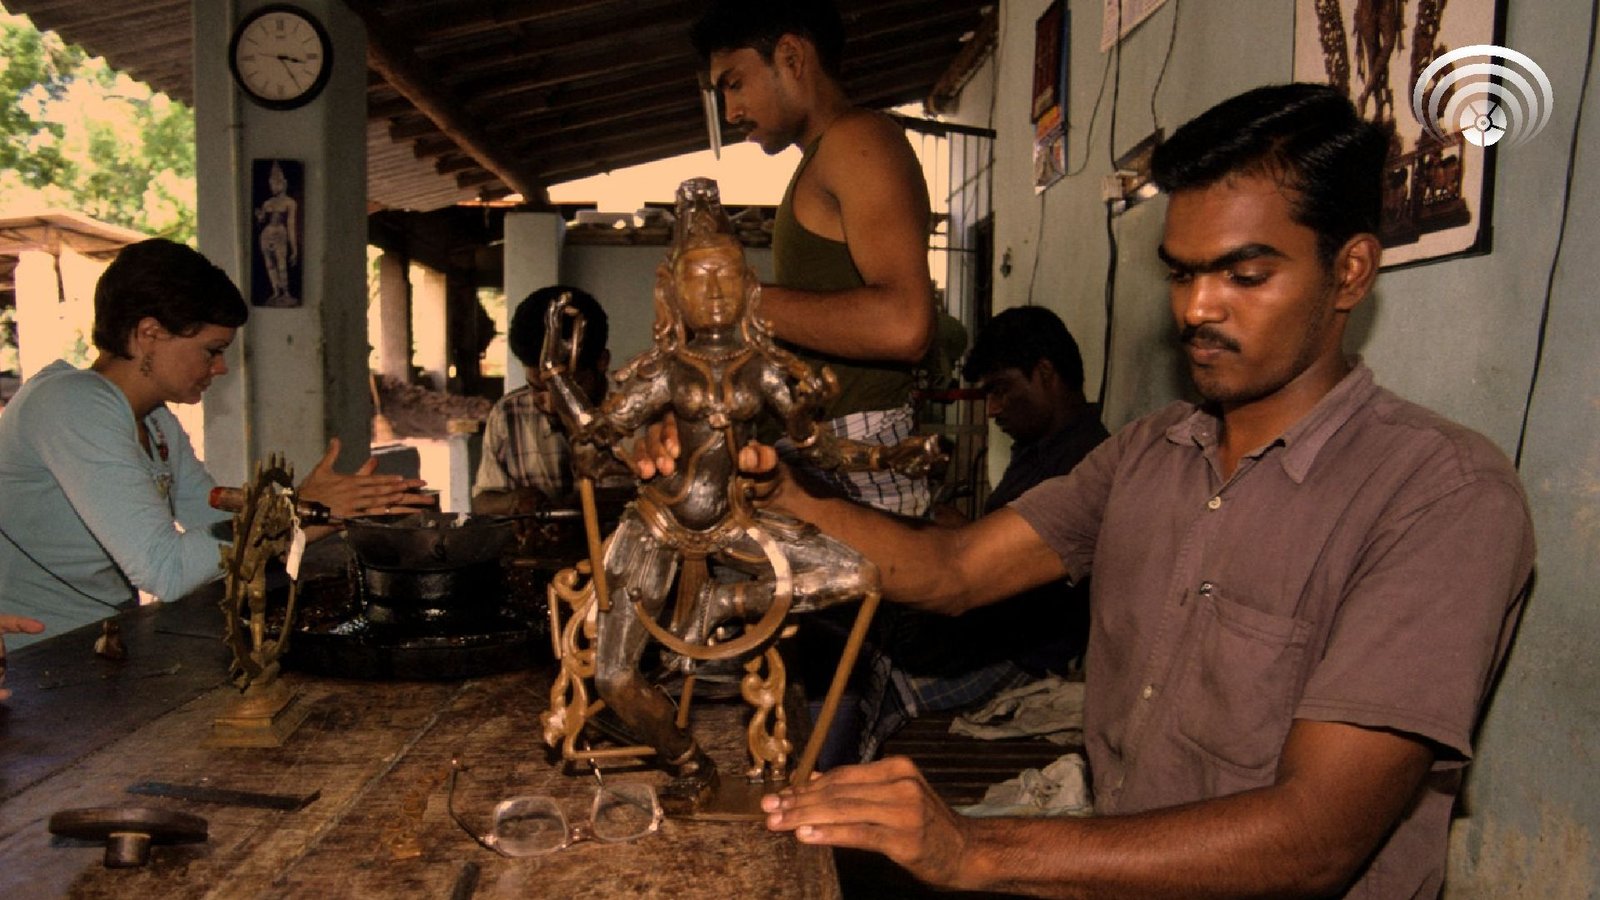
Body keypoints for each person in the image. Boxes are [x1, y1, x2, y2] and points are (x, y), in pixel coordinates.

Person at [747, 83, 1534, 896]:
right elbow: (952, 570)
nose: (1197, 308)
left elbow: (1315, 838)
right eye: (1182, 274)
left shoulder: (1441, 498)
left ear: (1349, 272)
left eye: (1246, 274)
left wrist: (976, 851)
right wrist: (781, 500)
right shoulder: (1149, 456)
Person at [0, 238, 427, 652]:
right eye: (212, 350)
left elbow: (214, 524)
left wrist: (321, 514)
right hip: (33, 661)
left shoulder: (156, 420)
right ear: (149, 333)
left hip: (97, 645)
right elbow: (167, 571)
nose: (220, 368)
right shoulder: (70, 404)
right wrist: (290, 510)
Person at [692, 0, 936, 517]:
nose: (731, 112)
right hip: (824, 453)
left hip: (857, 457)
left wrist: (743, 298)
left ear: (791, 57)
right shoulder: (823, 159)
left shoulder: (857, 140)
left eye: (734, 84)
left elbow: (905, 326)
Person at [856, 306, 1110, 760]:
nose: (991, 409)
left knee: (870, 691)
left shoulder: (1088, 463)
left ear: (1045, 373)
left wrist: (966, 537)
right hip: (986, 635)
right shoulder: (1038, 450)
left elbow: (1012, 584)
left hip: (1023, 659)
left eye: (1001, 390)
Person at [471, 285, 613, 517]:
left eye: (564, 390)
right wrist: (513, 501)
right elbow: (481, 503)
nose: (549, 404)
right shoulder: (508, 414)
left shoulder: (641, 415)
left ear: (602, 362)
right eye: (537, 388)